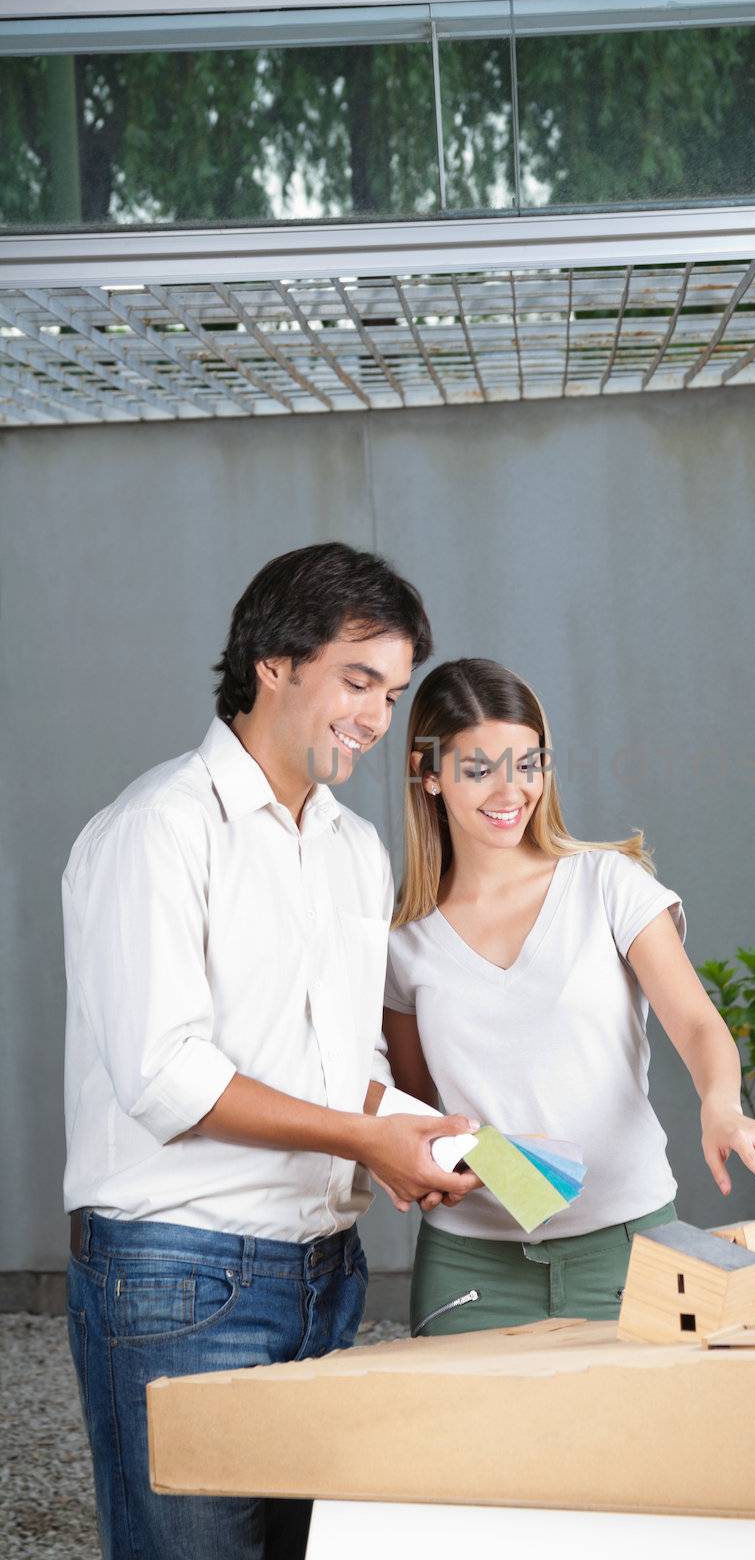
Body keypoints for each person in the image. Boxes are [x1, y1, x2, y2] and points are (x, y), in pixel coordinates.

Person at [62, 542, 480, 1560]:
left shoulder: (351, 847)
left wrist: (408, 1136)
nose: (377, 718)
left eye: (392, 690)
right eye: (357, 679)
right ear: (274, 664)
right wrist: (360, 1136)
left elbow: (332, 1067)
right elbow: (168, 1077)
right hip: (178, 1277)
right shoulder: (157, 829)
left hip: (321, 1274)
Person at [382, 658, 755, 1337]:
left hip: (628, 1252)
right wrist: (428, 1162)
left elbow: (696, 1023)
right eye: (478, 769)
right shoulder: (403, 940)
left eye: (528, 764)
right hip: (470, 1268)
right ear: (427, 773)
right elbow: (414, 1109)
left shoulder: (607, 884)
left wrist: (721, 1109)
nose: (510, 790)